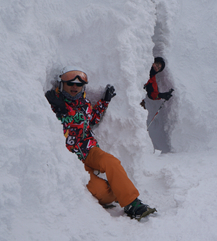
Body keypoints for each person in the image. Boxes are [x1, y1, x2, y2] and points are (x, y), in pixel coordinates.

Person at [45, 67, 156, 221]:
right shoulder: (53, 103)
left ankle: (132, 203)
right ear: (62, 84)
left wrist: (105, 101)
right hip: (71, 159)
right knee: (102, 192)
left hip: (89, 150)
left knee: (111, 162)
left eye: (78, 85)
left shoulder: (84, 103)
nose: (74, 87)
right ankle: (118, 192)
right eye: (70, 84)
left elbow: (91, 121)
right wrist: (60, 109)